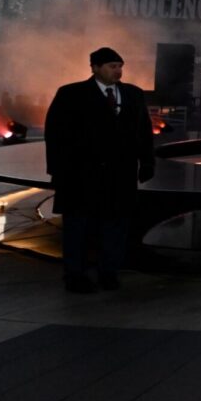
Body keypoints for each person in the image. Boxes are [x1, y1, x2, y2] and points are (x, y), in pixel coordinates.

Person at [44, 47, 155, 293]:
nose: (118, 71)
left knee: (116, 226)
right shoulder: (71, 94)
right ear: (94, 67)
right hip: (80, 175)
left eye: (119, 65)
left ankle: (109, 272)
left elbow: (143, 132)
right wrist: (58, 170)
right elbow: (55, 134)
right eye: (111, 66)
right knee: (78, 227)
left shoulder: (133, 94)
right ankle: (75, 275)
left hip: (120, 175)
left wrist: (147, 162)